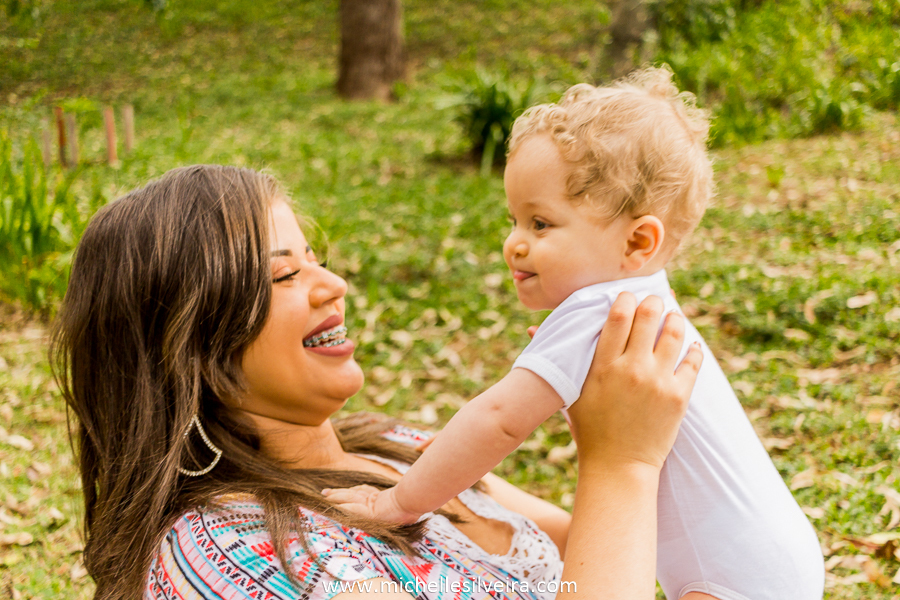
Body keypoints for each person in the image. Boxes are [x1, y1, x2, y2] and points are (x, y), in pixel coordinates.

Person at [51, 165, 705, 600]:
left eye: (318, 261)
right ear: (191, 349)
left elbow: (611, 555)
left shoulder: (403, 449)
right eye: (283, 277)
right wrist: (622, 463)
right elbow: (613, 508)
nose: (334, 286)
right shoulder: (228, 553)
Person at [328, 68, 825, 600]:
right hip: (768, 555)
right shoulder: (645, 301)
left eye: (540, 224)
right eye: (514, 220)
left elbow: (497, 421)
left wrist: (397, 504)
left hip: (727, 577)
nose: (514, 244)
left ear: (637, 242)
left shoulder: (598, 309)